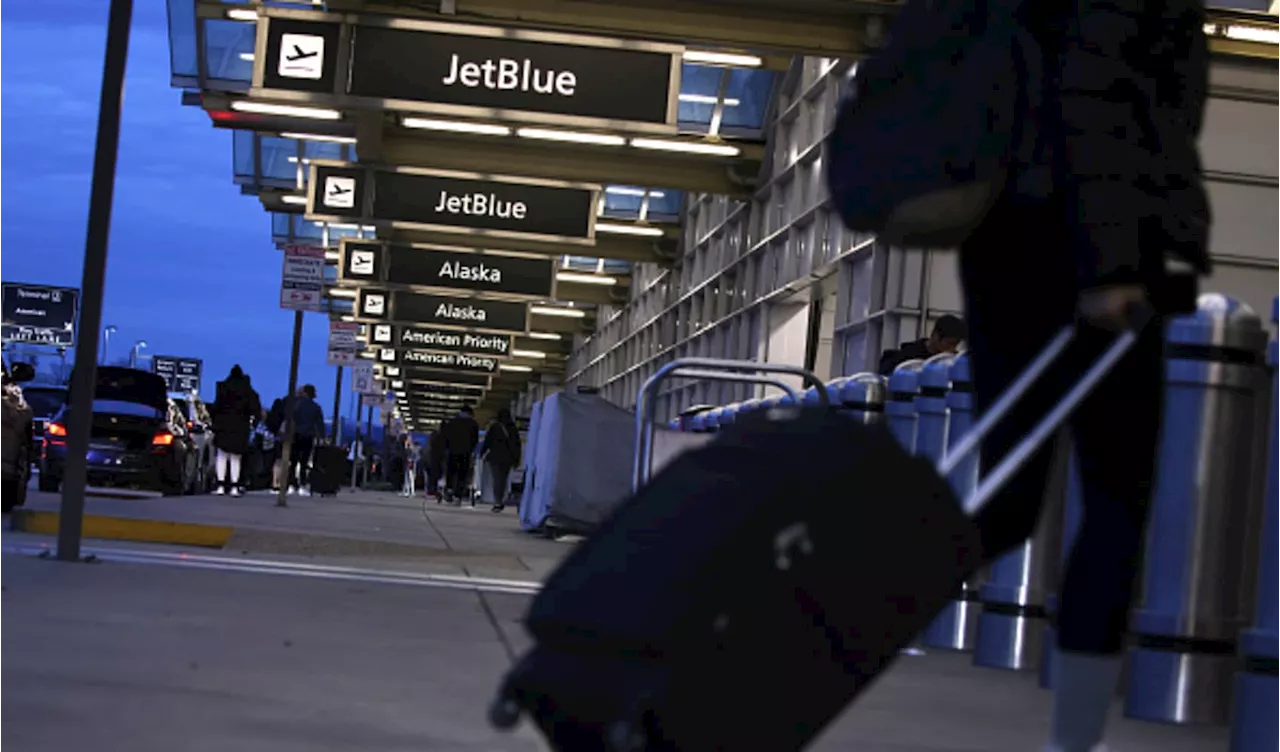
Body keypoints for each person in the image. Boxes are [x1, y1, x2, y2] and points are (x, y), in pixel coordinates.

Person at [945, 1, 1210, 749]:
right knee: (1115, 502)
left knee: (1008, 503)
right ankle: (1073, 741)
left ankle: (824, 617)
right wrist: (1113, 266)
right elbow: (1094, 106)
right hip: (1088, 257)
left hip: (1004, 244)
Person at [210, 365, 261, 497]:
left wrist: (214, 424)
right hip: (240, 428)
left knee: (221, 456)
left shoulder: (222, 388)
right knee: (236, 458)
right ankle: (234, 487)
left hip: (223, 426)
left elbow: (215, 408)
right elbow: (257, 412)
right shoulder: (249, 393)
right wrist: (253, 425)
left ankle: (220, 486)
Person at [877, 315, 966, 375]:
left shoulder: (955, 362)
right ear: (936, 336)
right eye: (950, 344)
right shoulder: (908, 356)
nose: (952, 349)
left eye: (956, 344)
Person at [479, 407, 522, 513]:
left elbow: (487, 441)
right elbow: (517, 445)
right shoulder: (513, 428)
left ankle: (498, 501)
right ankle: (500, 499)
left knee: (497, 479)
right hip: (508, 458)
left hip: (495, 457)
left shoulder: (495, 427)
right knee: (503, 479)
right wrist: (517, 459)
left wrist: (482, 453)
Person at [287, 384, 325, 496]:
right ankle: (302, 485)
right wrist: (321, 437)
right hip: (308, 435)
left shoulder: (296, 405)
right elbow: (319, 424)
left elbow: (290, 418)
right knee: (304, 462)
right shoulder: (316, 407)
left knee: (293, 461)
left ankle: (291, 484)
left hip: (295, 434)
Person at [440, 405, 479, 505]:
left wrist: (447, 448)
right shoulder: (473, 424)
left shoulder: (453, 422)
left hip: (453, 451)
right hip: (465, 453)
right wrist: (470, 449)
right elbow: (475, 440)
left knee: (451, 472)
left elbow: (446, 436)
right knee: (462, 474)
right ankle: (458, 495)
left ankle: (449, 490)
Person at [426, 430, 446, 501]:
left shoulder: (431, 445)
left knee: (432, 478)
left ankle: (431, 491)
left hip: (432, 462)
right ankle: (438, 491)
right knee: (439, 477)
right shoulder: (442, 446)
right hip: (438, 463)